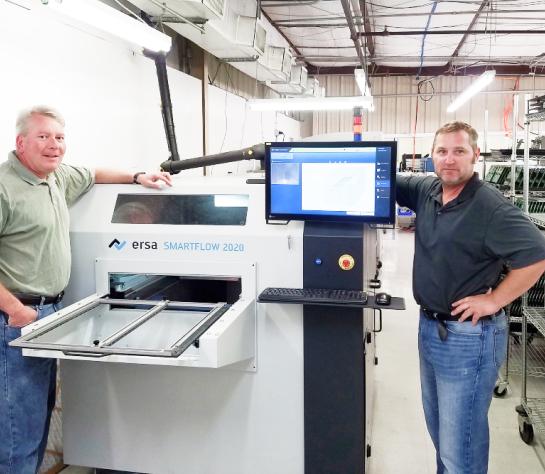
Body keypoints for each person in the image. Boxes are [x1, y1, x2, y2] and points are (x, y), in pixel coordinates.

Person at [0, 105, 172, 473]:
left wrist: (138, 176)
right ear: (21, 142)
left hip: (47, 314)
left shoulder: (56, 177)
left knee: (37, 418)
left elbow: (94, 173)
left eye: (59, 137)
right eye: (43, 136)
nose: (54, 145)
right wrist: (16, 310)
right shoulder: (4, 187)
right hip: (13, 320)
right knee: (16, 432)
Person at [396, 121, 545, 474]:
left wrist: (494, 300)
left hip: (469, 337)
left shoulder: (489, 207)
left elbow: (537, 255)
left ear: (475, 155)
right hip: (430, 327)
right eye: (442, 151)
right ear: (431, 156)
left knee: (459, 446)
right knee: (441, 435)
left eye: (459, 151)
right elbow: (383, 179)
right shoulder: (427, 190)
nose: (449, 159)